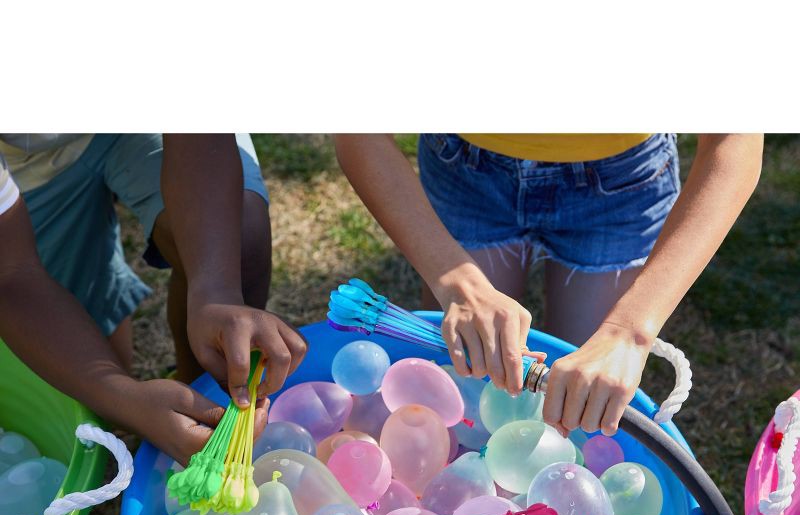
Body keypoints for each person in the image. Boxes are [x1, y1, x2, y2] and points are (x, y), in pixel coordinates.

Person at [335, 133, 763, 436]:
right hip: (465, 165)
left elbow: (735, 141)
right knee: (465, 393)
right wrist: (457, 282)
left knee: (577, 414)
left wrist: (628, 333)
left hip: (622, 179)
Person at [0, 135, 307, 464]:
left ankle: (198, 407)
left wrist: (217, 294)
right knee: (90, 386)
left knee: (238, 241)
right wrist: (122, 394)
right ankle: (168, 419)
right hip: (19, 167)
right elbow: (11, 273)